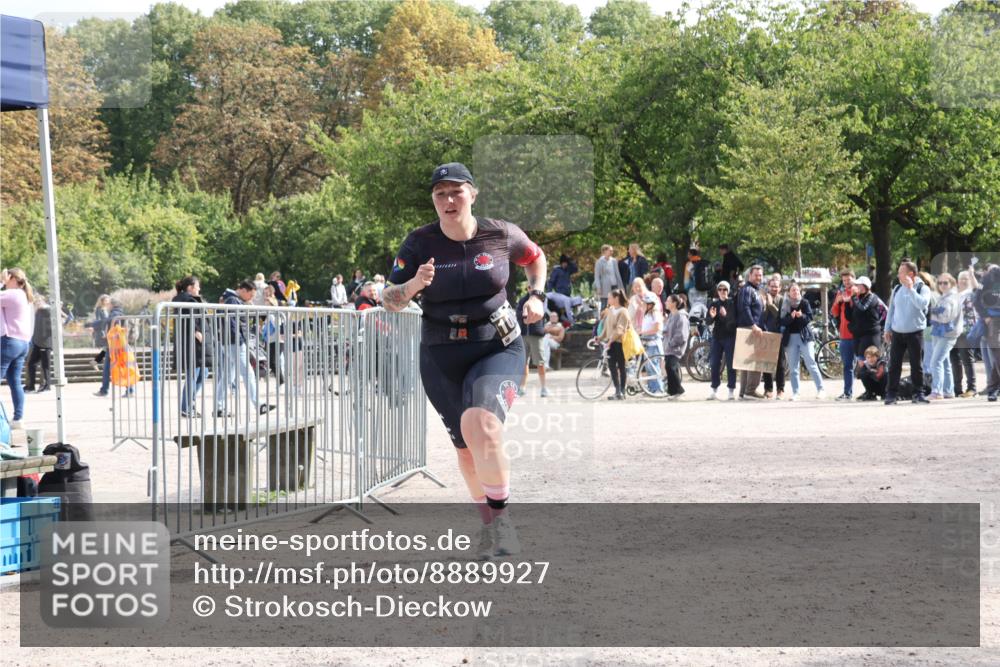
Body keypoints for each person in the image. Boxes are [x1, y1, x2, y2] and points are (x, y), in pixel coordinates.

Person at [382, 162, 546, 559]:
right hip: (440, 352)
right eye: (441, 194)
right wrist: (414, 285)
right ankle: (488, 526)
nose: (449, 200)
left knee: (482, 424)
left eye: (457, 191)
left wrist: (537, 295)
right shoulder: (419, 242)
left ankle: (504, 522)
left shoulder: (500, 233)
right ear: (433, 201)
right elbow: (389, 300)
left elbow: (535, 257)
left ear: (473, 194)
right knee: (465, 448)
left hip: (497, 345)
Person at [215, 281, 275, 418]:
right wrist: (241, 340)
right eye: (251, 295)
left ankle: (219, 406)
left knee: (228, 376)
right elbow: (232, 323)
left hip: (230, 341)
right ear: (243, 290)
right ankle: (259, 404)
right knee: (247, 373)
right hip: (234, 341)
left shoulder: (231, 299)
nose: (251, 298)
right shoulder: (232, 300)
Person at [884, 261, 932, 405]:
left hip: (915, 332)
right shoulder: (897, 288)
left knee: (916, 365)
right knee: (894, 365)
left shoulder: (922, 288)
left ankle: (918, 393)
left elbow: (923, 304)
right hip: (898, 332)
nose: (898, 275)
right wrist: (887, 328)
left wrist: (911, 289)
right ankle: (891, 393)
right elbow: (891, 309)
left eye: (901, 272)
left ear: (910, 274)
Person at [172, 275, 212, 418]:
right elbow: (187, 320)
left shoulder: (188, 299)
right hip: (192, 343)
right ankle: (186, 407)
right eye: (197, 286)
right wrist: (196, 332)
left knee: (203, 373)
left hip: (198, 344)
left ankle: (190, 403)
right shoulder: (185, 300)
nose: (199, 288)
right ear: (190, 287)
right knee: (193, 375)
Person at [0, 268, 35, 429]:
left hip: (9, 341)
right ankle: (18, 419)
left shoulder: (12, 294)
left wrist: (1, 282)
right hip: (23, 343)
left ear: (12, 278)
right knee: (15, 382)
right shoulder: (26, 297)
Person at [780, 282, 826, 401]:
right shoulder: (785, 304)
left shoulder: (804, 302)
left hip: (805, 336)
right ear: (789, 292)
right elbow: (781, 321)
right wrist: (791, 317)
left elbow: (809, 318)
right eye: (793, 290)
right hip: (790, 337)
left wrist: (801, 316)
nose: (795, 292)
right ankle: (796, 392)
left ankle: (821, 389)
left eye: (797, 290)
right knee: (793, 366)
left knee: (811, 362)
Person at [927, 272, 962, 400]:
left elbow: (945, 317)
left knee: (935, 361)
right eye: (940, 282)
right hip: (939, 332)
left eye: (945, 282)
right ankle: (948, 391)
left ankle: (937, 391)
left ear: (951, 283)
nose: (942, 285)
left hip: (947, 334)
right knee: (944, 362)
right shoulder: (944, 296)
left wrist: (933, 312)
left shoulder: (951, 298)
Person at [736, 264, 765, 400]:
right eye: (756, 275)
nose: (759, 277)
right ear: (750, 276)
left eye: (760, 275)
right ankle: (750, 390)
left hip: (752, 328)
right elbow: (744, 308)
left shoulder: (755, 290)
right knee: (756, 360)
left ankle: (743, 392)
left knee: (746, 362)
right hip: (751, 328)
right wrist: (753, 325)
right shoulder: (747, 289)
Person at [706, 281, 737, 401]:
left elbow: (733, 323)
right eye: (720, 289)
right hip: (717, 337)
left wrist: (724, 316)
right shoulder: (713, 304)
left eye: (725, 290)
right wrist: (712, 317)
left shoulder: (732, 303)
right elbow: (708, 321)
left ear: (728, 291)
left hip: (729, 337)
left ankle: (731, 390)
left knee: (730, 364)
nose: (722, 292)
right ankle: (714, 389)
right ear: (717, 291)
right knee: (714, 363)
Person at [973, 264, 1000, 401]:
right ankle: (993, 389)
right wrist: (986, 316)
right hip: (992, 320)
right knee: (997, 352)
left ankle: (993, 389)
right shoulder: (986, 279)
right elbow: (976, 300)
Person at [829, 269, 857, 400]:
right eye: (844, 280)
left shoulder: (859, 291)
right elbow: (834, 313)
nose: (846, 283)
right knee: (847, 365)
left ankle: (873, 391)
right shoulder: (840, 293)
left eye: (848, 280)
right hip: (845, 334)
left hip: (859, 334)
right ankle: (847, 392)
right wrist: (837, 301)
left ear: (854, 279)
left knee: (866, 363)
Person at [516, 291, 550, 398]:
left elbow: (545, 314)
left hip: (536, 335)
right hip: (524, 335)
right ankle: (522, 388)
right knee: (523, 362)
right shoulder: (522, 300)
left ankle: (544, 388)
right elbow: (518, 314)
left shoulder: (542, 299)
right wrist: (524, 316)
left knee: (540, 362)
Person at [951, 269, 978, 398]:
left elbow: (977, 288)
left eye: (966, 278)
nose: (963, 281)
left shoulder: (971, 294)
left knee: (967, 359)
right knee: (954, 360)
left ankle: (972, 388)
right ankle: (957, 389)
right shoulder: (955, 295)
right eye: (961, 278)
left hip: (966, 330)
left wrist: (972, 275)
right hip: (952, 331)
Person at [600, 288, 630, 401]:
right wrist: (600, 337)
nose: (608, 299)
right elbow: (607, 327)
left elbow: (620, 329)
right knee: (612, 367)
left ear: (616, 298)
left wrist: (610, 341)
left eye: (609, 297)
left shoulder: (623, 311)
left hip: (619, 343)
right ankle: (617, 390)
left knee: (621, 367)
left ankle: (622, 391)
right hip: (611, 343)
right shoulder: (610, 310)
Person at [760, 276, 787, 400]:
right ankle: (768, 389)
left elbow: (780, 316)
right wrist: (766, 304)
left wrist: (771, 305)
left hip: (779, 334)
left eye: (776, 286)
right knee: (766, 363)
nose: (774, 288)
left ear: (780, 288)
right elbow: (762, 317)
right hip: (766, 333)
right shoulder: (763, 298)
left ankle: (780, 389)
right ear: (768, 287)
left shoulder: (783, 300)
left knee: (780, 364)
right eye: (772, 286)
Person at [93, 298, 124, 398]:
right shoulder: (120, 313)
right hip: (117, 343)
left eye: (109, 303)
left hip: (113, 344)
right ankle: (129, 389)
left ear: (112, 304)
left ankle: (104, 390)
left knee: (108, 368)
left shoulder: (114, 314)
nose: (108, 304)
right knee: (121, 367)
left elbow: (106, 324)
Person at [662, 294, 689, 399]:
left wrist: (671, 343)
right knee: (670, 368)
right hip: (669, 347)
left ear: (674, 303)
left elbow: (682, 334)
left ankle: (679, 390)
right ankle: (673, 392)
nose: (666, 302)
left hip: (675, 348)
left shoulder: (681, 316)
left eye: (668, 301)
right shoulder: (672, 315)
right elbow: (668, 329)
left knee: (670, 367)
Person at [637, 292, 665, 395]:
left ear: (650, 304)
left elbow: (656, 328)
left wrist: (642, 332)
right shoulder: (647, 314)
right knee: (648, 367)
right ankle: (651, 389)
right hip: (647, 343)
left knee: (654, 367)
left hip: (653, 344)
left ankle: (658, 389)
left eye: (645, 303)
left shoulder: (655, 314)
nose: (643, 305)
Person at [25, 296, 53, 393]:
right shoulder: (37, 311)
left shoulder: (48, 310)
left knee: (45, 366)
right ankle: (31, 386)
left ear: (43, 301)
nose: (36, 303)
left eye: (38, 301)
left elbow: (50, 327)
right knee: (31, 363)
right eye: (35, 301)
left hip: (45, 343)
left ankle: (47, 385)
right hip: (37, 342)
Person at [593, 245, 624, 312]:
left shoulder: (614, 261)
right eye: (610, 250)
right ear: (604, 251)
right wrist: (598, 287)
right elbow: (597, 276)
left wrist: (621, 286)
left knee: (616, 304)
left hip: (615, 286)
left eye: (612, 251)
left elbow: (617, 274)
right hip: (605, 287)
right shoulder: (599, 262)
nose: (611, 252)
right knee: (604, 305)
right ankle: (602, 321)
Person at [84, 295, 111, 370]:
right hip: (102, 331)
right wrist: (102, 332)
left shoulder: (107, 309)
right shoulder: (99, 309)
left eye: (108, 300)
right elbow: (98, 321)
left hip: (107, 331)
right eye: (106, 300)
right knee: (107, 348)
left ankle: (96, 362)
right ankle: (97, 362)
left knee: (107, 348)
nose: (108, 301)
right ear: (102, 301)